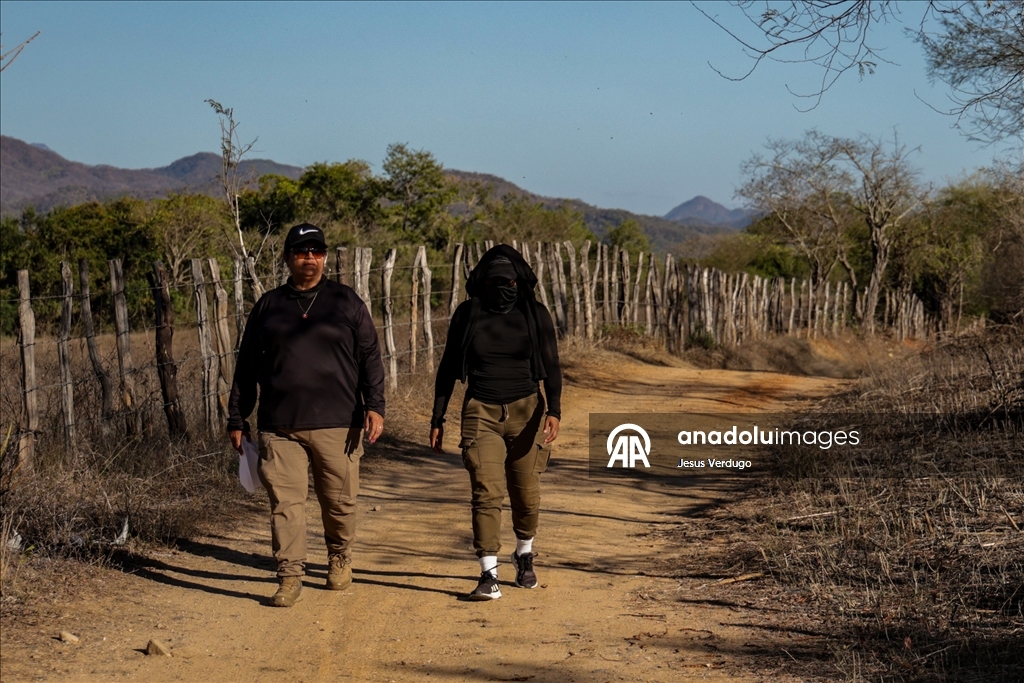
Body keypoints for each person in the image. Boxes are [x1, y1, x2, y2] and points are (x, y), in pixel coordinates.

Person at [228, 223, 385, 608]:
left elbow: (370, 357)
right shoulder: (268, 306)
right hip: (280, 425)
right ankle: (289, 576)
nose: (309, 258)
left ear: (325, 257)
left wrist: (375, 406)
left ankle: (339, 557)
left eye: (316, 251)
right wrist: (237, 417)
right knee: (286, 504)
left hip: (339, 423)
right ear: (287, 258)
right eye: (301, 252)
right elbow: (246, 366)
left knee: (339, 502)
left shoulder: (346, 302)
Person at [430, 244, 562, 600]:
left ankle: (524, 553)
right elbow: (447, 366)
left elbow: (551, 365)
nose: (503, 286)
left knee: (526, 492)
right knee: (486, 492)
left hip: (527, 410)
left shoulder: (535, 314)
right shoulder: (468, 314)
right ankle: (488, 574)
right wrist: (437, 416)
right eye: (495, 280)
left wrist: (555, 410)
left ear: (519, 282)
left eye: (509, 280)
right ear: (482, 282)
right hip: (480, 412)